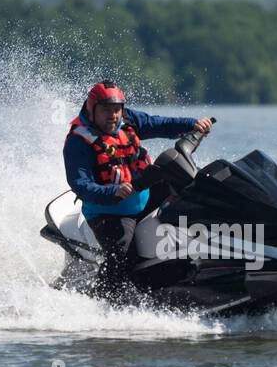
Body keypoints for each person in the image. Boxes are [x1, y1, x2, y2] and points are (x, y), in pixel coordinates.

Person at [63, 81, 212, 297]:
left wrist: (192, 125)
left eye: (116, 109)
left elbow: (159, 124)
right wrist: (112, 192)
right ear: (91, 109)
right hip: (109, 212)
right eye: (105, 110)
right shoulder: (77, 142)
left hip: (144, 194)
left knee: (190, 188)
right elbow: (80, 184)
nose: (113, 116)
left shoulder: (129, 120)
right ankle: (103, 301)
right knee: (123, 258)